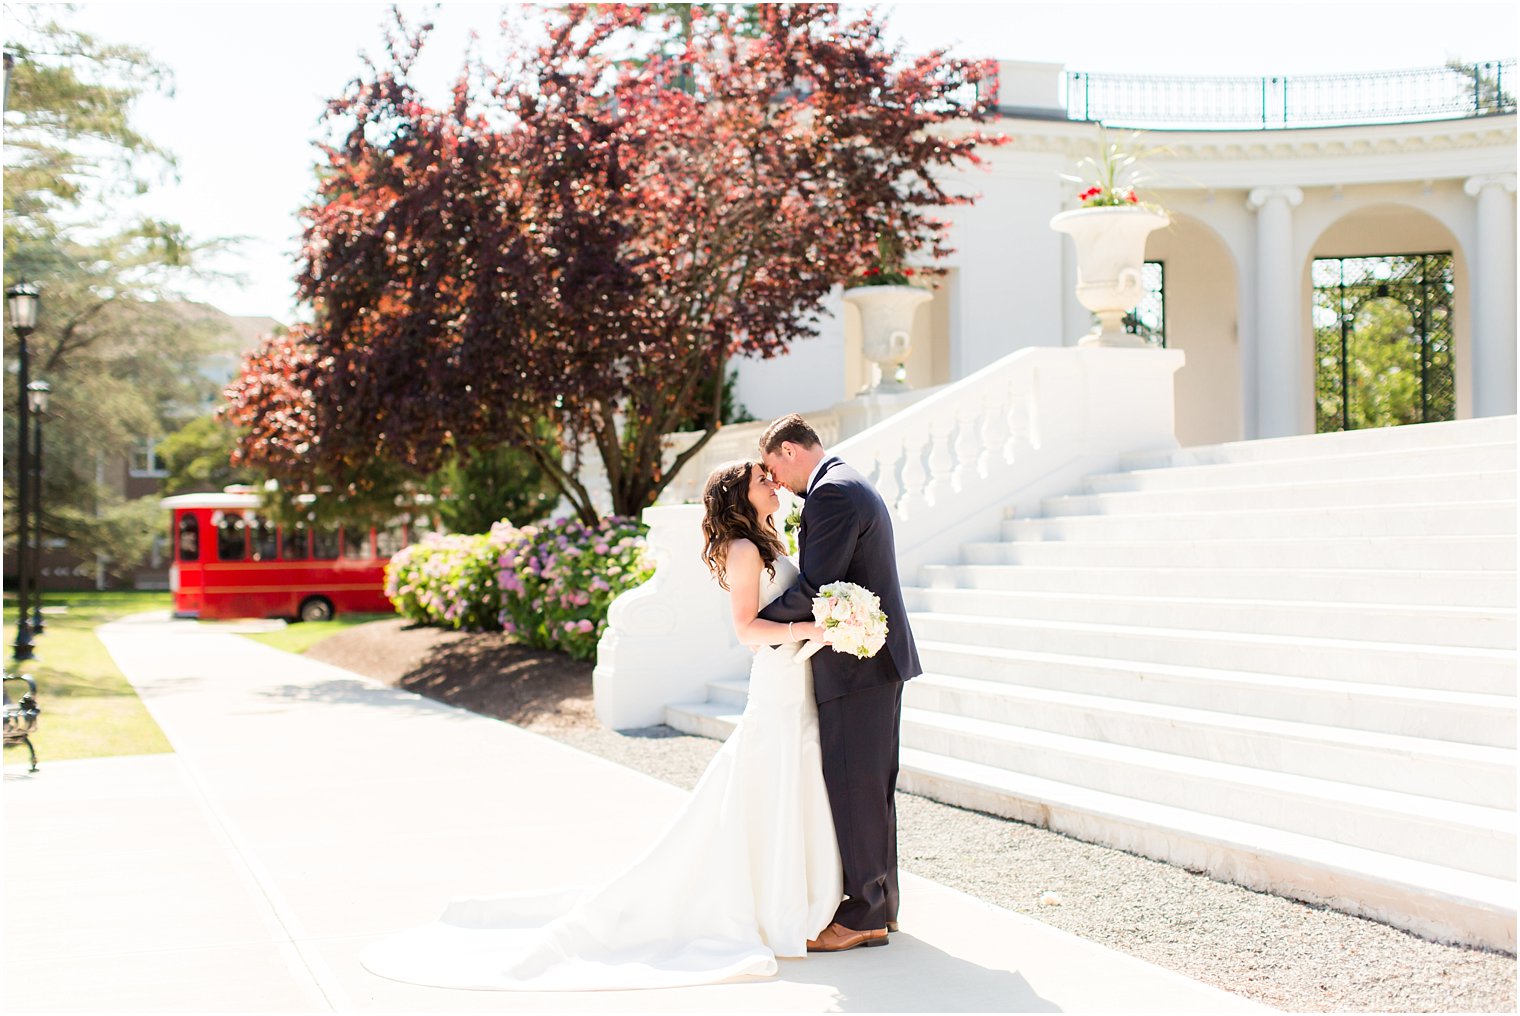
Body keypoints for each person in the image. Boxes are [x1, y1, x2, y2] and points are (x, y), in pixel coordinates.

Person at [360, 460, 844, 991]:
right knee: (766, 785)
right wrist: (810, 627)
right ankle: (772, 905)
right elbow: (747, 630)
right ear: (739, 496)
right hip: (774, 683)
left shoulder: (769, 538)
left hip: (793, 681)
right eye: (762, 480)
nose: (773, 484)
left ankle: (792, 895)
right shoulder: (746, 550)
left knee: (786, 784)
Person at [756, 413, 921, 952]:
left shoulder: (830, 493)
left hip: (858, 666)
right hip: (873, 662)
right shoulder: (846, 480)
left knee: (855, 787)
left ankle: (862, 917)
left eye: (772, 467)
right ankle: (883, 904)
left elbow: (815, 586)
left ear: (788, 450)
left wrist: (762, 623)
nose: (774, 480)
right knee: (872, 787)